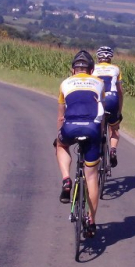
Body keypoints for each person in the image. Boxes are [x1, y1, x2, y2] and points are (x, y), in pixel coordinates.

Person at [55, 50, 105, 236]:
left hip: (70, 127)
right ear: (92, 70)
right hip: (92, 129)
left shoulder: (65, 83)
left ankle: (67, 179)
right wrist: (99, 139)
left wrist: (59, 135)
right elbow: (101, 113)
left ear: (73, 70)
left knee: (60, 145)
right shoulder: (99, 83)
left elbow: (61, 117)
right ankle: (91, 222)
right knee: (91, 176)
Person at [92, 45, 123, 167]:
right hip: (112, 99)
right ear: (110, 58)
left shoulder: (92, 69)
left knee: (96, 125)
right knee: (114, 129)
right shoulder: (116, 69)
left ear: (98, 57)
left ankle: (97, 148)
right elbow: (120, 92)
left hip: (97, 100)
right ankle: (113, 150)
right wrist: (119, 111)